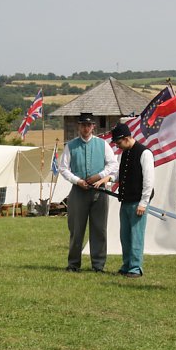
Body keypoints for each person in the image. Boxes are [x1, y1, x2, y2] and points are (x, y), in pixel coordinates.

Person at [58, 112, 119, 272]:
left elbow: (113, 164)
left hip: (99, 191)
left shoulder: (103, 144)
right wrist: (77, 181)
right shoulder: (70, 145)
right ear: (79, 126)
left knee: (99, 228)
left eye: (88, 125)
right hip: (78, 191)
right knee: (76, 229)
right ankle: (73, 264)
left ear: (93, 127)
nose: (86, 128)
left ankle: (98, 265)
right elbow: (63, 168)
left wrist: (99, 176)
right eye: (83, 125)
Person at [101, 122, 154, 278]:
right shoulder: (125, 154)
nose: (118, 146)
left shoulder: (145, 153)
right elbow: (120, 174)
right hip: (125, 200)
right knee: (125, 236)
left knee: (136, 236)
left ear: (125, 138)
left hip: (138, 202)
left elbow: (149, 181)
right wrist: (109, 178)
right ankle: (127, 264)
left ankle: (136, 267)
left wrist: (144, 203)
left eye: (118, 143)